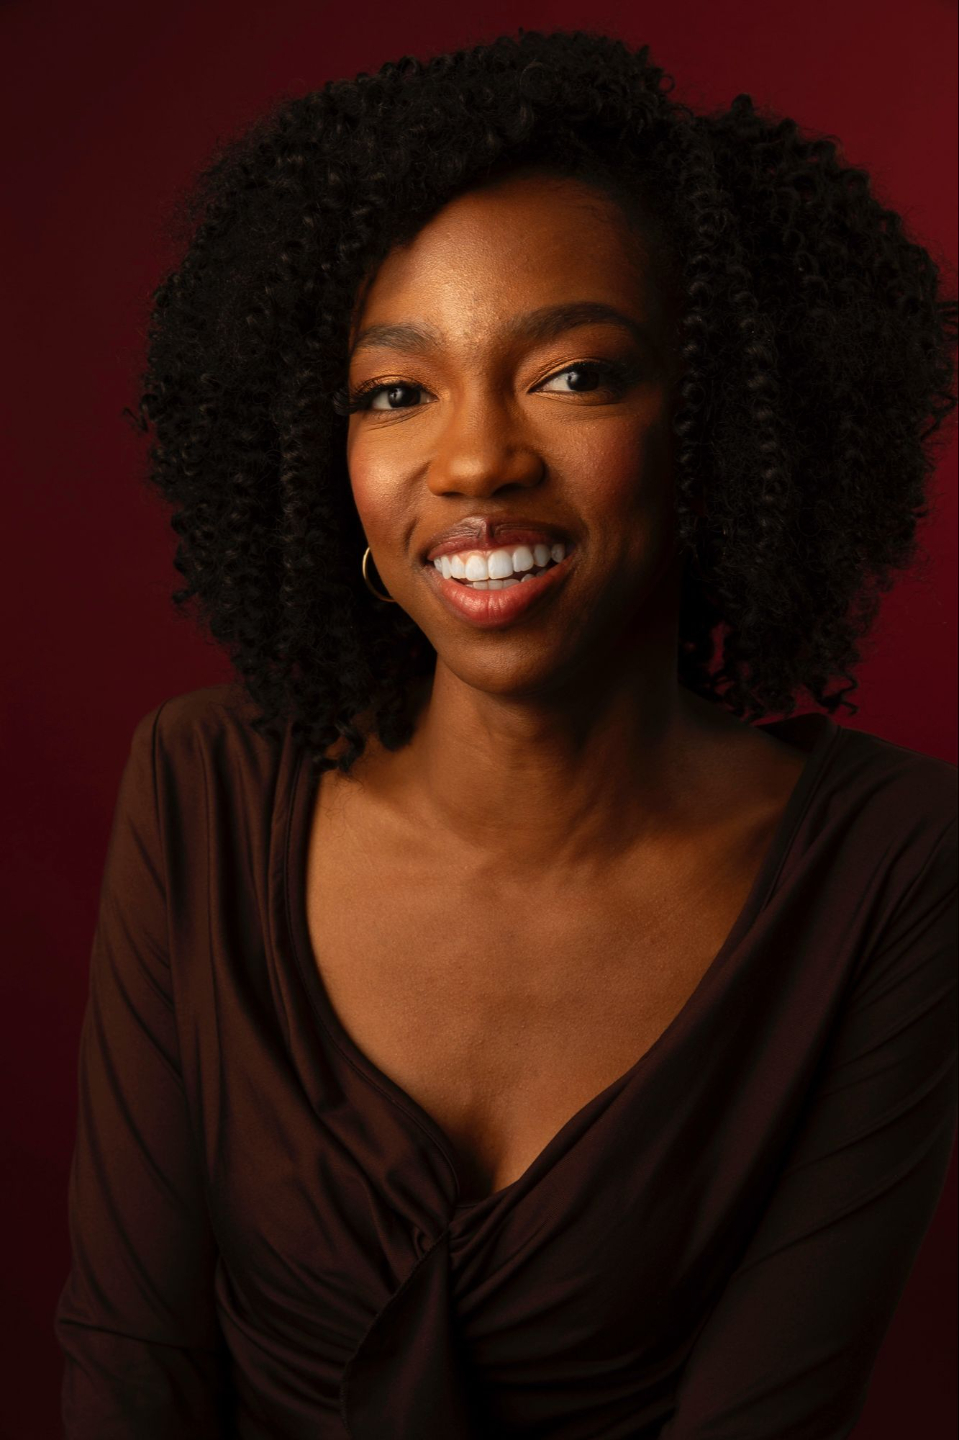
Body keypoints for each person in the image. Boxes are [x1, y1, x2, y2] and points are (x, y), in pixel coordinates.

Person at [54, 27, 957, 1440]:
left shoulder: (893, 866)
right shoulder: (202, 788)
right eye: (394, 392)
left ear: (715, 422)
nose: (475, 460)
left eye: (575, 375)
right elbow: (130, 1360)